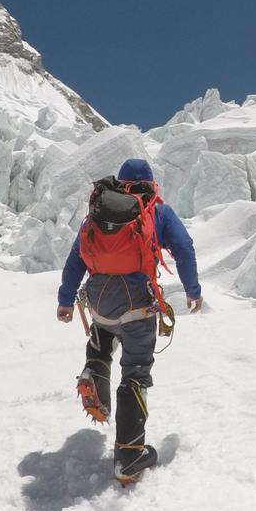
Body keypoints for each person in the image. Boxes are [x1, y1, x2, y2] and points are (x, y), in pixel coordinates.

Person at [56, 158, 202, 483]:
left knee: (103, 336)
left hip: (98, 302)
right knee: (136, 372)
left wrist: (65, 300)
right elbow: (184, 247)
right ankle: (129, 456)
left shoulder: (99, 210)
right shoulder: (156, 211)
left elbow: (76, 256)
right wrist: (193, 290)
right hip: (136, 306)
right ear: (151, 185)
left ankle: (94, 369)